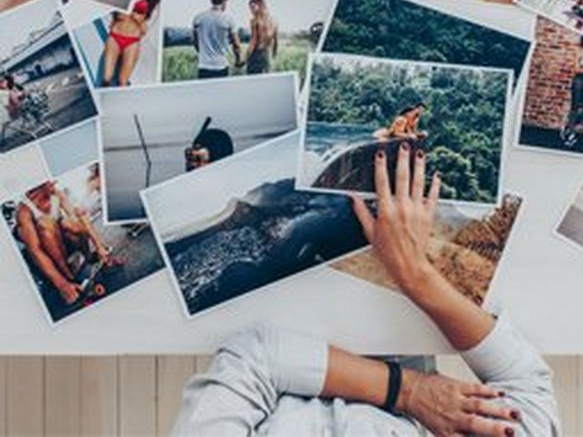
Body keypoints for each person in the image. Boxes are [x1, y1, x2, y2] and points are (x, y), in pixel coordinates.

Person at [173, 144, 560, 436]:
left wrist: (409, 392)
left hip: (288, 320)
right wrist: (415, 273)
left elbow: (252, 357)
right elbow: (528, 387)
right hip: (397, 321)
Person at [14, 180, 120, 306]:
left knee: (68, 223)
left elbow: (81, 219)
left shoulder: (57, 194)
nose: (54, 183)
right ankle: (69, 277)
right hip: (50, 255)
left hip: (66, 245)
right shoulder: (24, 211)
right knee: (45, 225)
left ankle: (87, 260)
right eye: (50, 182)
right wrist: (62, 285)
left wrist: (100, 247)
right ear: (37, 187)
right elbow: (36, 252)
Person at [102, 0, 159, 87]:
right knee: (106, 77)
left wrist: (136, 18)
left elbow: (143, 28)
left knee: (123, 81)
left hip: (132, 41)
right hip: (115, 36)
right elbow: (117, 15)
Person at [192, 0, 242, 79]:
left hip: (204, 65)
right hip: (221, 65)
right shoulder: (228, 19)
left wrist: (202, 54)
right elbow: (236, 44)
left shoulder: (198, 18)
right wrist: (238, 60)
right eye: (226, 3)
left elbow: (194, 41)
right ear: (223, 2)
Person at [245, 0, 278, 75]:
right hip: (267, 54)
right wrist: (273, 56)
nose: (251, 10)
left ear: (260, 6)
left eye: (253, 7)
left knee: (252, 80)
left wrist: (246, 57)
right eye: (250, 8)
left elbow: (253, 41)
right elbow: (276, 42)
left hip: (256, 54)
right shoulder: (275, 20)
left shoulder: (255, 20)